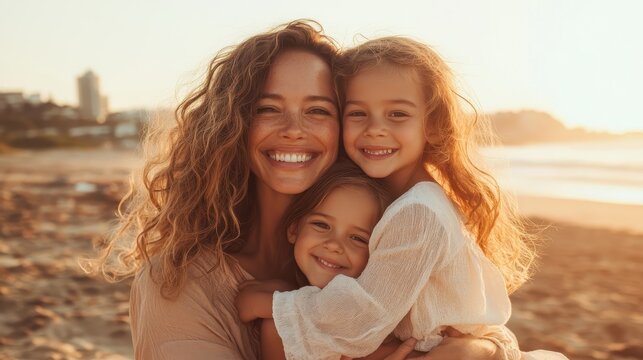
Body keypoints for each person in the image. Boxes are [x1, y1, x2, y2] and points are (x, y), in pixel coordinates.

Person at [92, 20, 530, 359]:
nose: (294, 131)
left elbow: (459, 320)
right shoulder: (177, 284)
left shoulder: (365, 244)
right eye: (268, 109)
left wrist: (484, 350)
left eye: (318, 110)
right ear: (231, 125)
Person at [236, 37, 567, 360]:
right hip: (420, 347)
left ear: (433, 126)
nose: (375, 129)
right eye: (358, 114)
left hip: (436, 350)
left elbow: (363, 316)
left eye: (397, 114)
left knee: (276, 327)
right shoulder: (385, 197)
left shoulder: (419, 212)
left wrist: (271, 303)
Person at [237, 161, 393, 360]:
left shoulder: (384, 326)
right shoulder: (280, 319)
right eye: (321, 225)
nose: (334, 245)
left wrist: (272, 304)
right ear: (294, 228)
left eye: (357, 238)